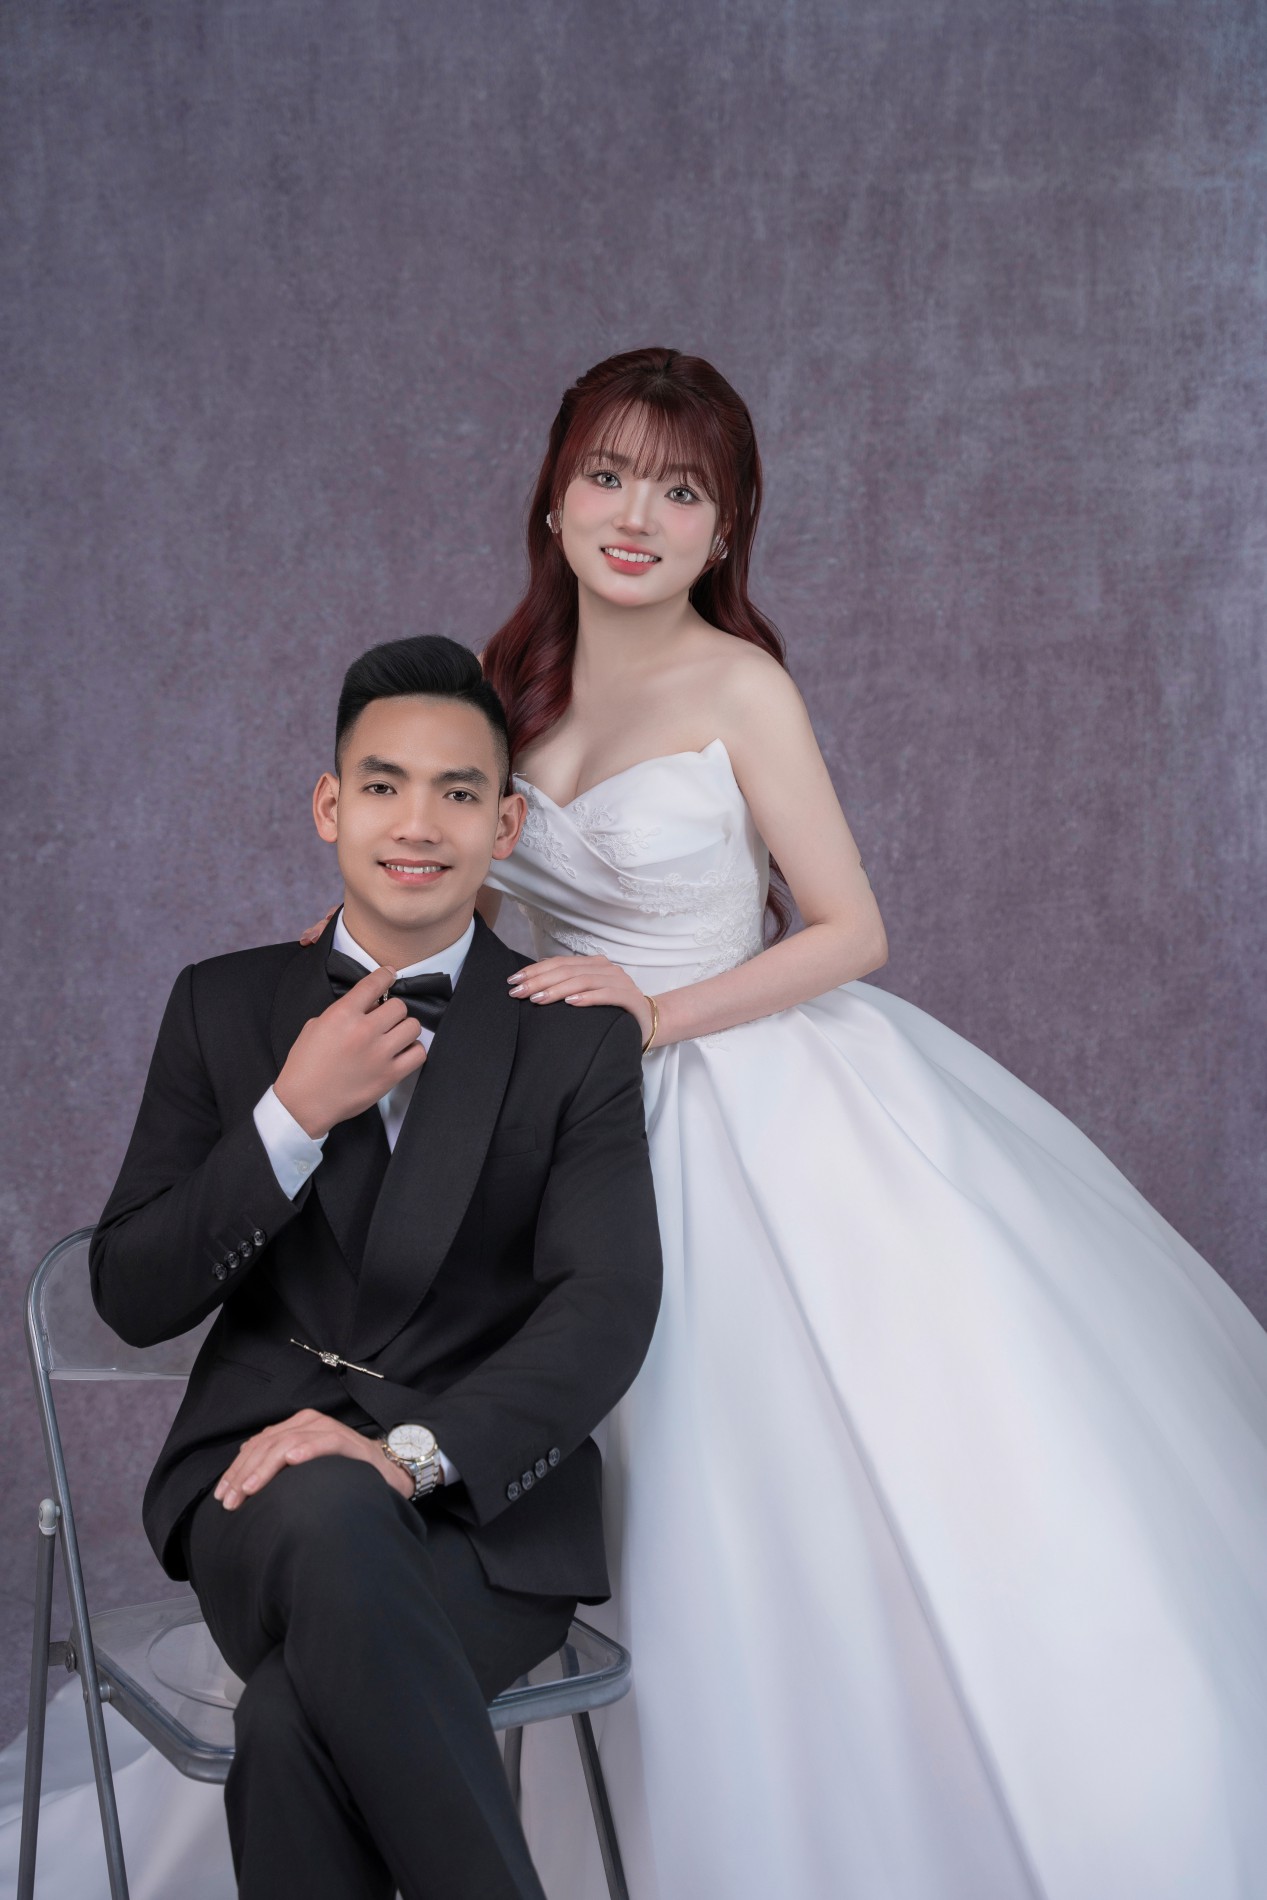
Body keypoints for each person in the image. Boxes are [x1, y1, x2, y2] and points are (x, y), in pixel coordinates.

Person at [473, 348, 1267, 1900]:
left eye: (679, 491)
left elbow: (849, 930)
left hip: (744, 1096)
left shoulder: (740, 685)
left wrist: (653, 1019)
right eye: (607, 477)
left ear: (723, 529)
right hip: (559, 1126)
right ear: (553, 499)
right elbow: (472, 923)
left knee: (770, 1475)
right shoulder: (509, 697)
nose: (636, 516)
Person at [88, 636, 663, 1900]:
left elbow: (607, 1304)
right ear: (329, 806)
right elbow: (130, 1293)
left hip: (485, 1514)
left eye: (458, 792)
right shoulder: (220, 1006)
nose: (418, 823)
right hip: (254, 1489)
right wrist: (288, 1115)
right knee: (327, 1508)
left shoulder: (575, 1038)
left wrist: (409, 1453)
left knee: (294, 1724)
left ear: (504, 824)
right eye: (384, 784)